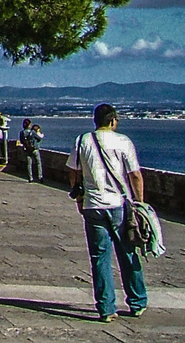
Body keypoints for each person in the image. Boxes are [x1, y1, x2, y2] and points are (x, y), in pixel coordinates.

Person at [67, 103, 147, 321]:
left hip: (93, 205)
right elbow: (135, 175)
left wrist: (80, 197)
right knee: (128, 253)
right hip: (119, 205)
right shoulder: (123, 142)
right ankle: (137, 301)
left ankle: (106, 308)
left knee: (99, 258)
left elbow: (73, 171)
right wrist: (139, 203)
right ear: (113, 121)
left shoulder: (82, 140)